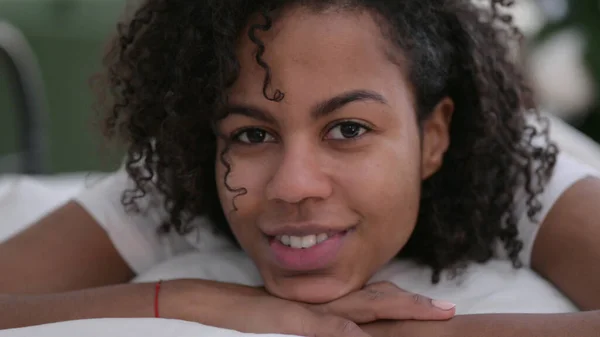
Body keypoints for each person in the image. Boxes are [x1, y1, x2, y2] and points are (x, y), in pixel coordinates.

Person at [1, 0, 600, 335]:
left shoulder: (521, 172)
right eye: (253, 133)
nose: (292, 185)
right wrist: (202, 303)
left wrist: (440, 334)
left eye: (348, 129)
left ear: (434, 135)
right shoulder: (183, 176)